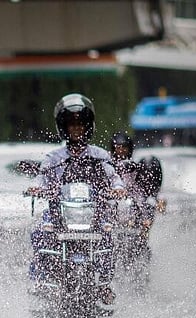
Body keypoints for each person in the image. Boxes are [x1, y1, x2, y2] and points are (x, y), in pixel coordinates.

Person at [26, 93, 126, 305]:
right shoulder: (54, 157)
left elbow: (114, 177)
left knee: (109, 233)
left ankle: (104, 285)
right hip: (59, 213)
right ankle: (41, 281)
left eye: (80, 124)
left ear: (88, 126)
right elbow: (41, 177)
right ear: (64, 127)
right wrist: (36, 187)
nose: (76, 128)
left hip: (94, 213)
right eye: (71, 124)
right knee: (39, 232)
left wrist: (118, 189)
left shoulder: (100, 155)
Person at [109, 132, 162, 236]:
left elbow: (140, 190)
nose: (121, 151)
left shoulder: (134, 167)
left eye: (124, 147)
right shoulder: (107, 165)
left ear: (130, 148)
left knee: (146, 205)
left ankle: (141, 238)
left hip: (130, 204)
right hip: (113, 202)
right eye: (118, 148)